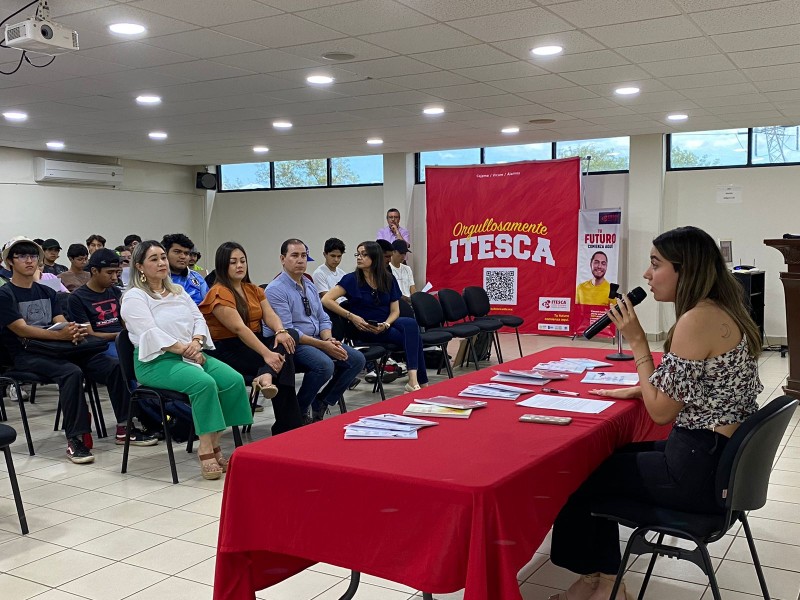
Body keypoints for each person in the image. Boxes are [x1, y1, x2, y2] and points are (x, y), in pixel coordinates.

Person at [548, 226, 763, 600]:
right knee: (598, 458)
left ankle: (597, 582)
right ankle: (602, 580)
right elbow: (695, 386)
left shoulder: (696, 319)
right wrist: (641, 387)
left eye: (655, 264)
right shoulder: (722, 311)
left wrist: (637, 342)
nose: (646, 275)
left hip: (696, 471)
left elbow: (662, 413)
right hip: (716, 460)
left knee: (577, 474)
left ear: (686, 270)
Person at [121, 240, 252, 479]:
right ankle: (206, 448)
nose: (162, 263)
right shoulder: (134, 297)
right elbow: (150, 332)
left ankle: (214, 439)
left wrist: (197, 342)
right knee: (203, 384)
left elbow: (198, 319)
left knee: (233, 381)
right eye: (154, 259)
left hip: (191, 352)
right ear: (139, 266)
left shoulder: (178, 292)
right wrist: (185, 350)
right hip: (156, 361)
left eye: (163, 257)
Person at [0, 237, 133, 464]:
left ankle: (125, 426)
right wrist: (59, 335)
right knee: (71, 372)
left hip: (57, 348)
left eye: (32, 255)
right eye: (21, 256)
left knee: (113, 366)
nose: (29, 261)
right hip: (25, 355)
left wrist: (72, 331)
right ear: (10, 262)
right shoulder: (5, 295)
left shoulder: (47, 291)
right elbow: (21, 330)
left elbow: (60, 320)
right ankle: (76, 438)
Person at [199, 241, 303, 435]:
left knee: (291, 335)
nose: (240, 266)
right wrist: (267, 355)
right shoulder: (218, 292)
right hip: (228, 350)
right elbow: (239, 329)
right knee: (282, 362)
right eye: (233, 262)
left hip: (253, 343)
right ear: (223, 265)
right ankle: (289, 428)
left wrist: (280, 331)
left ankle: (266, 375)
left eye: (242, 261)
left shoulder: (252, 289)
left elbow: (270, 315)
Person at [266, 239, 364, 423]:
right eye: (294, 255)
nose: (300, 260)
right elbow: (288, 331)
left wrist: (328, 339)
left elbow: (323, 318)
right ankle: (298, 412)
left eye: (303, 256)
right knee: (324, 365)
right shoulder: (275, 290)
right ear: (282, 259)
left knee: (357, 360)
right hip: (294, 343)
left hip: (318, 338)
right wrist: (324, 346)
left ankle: (321, 402)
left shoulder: (308, 284)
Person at [68, 249, 157, 446]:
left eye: (117, 272)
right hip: (98, 347)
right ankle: (129, 425)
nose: (115, 277)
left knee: (154, 357)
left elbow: (127, 323)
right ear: (94, 271)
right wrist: (120, 335)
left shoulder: (116, 292)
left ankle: (157, 415)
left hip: (122, 340)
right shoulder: (77, 298)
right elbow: (88, 334)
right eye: (109, 272)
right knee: (122, 366)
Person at [323, 241, 427, 392]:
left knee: (410, 325)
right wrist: (351, 316)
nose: (359, 257)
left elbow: (395, 311)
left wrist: (386, 324)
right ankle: (419, 382)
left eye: (364, 254)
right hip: (365, 327)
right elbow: (326, 300)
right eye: (358, 254)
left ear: (375, 257)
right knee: (413, 336)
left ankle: (413, 380)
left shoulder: (388, 279)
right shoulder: (351, 279)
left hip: (386, 324)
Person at [161, 233, 209, 304]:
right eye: (177, 252)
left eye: (186, 253)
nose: (183, 256)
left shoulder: (197, 278)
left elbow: (208, 305)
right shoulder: (157, 278)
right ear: (165, 253)